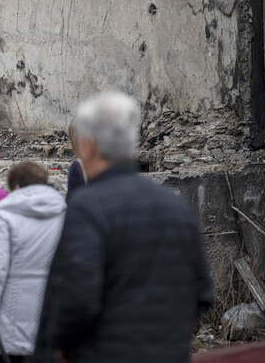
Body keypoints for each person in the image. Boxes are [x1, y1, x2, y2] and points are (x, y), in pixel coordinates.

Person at [34, 92, 212, 363]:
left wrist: (57, 346)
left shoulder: (88, 207)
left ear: (89, 145)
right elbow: (202, 294)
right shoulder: (177, 209)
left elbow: (78, 298)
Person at [0, 161, 66, 363]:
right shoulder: (64, 212)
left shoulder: (6, 213)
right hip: (52, 317)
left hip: (10, 317)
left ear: (17, 187)